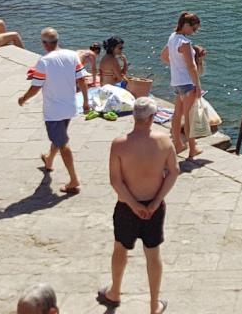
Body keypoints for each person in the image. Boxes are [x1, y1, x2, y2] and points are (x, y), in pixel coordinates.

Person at [98, 97, 179, 314]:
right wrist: (155, 202)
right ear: (152, 118)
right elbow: (173, 172)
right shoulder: (164, 142)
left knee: (120, 248)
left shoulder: (119, 144)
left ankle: (114, 292)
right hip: (154, 207)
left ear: (135, 116)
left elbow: (116, 180)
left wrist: (133, 205)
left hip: (126, 207)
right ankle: (153, 305)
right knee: (153, 254)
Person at [18, 27, 89, 194]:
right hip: (70, 106)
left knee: (63, 143)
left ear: (44, 44)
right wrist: (85, 102)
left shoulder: (44, 62)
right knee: (59, 136)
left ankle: (73, 180)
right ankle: (49, 161)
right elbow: (82, 80)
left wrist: (23, 98)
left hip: (54, 111)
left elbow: (35, 87)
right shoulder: (72, 55)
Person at [163, 12, 203, 160]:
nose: (194, 32)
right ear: (186, 25)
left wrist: (175, 65)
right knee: (189, 117)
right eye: (193, 29)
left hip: (176, 82)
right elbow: (191, 66)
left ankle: (178, 144)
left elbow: (163, 56)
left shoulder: (172, 38)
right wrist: (198, 85)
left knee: (177, 114)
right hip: (187, 83)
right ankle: (193, 149)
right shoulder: (184, 43)